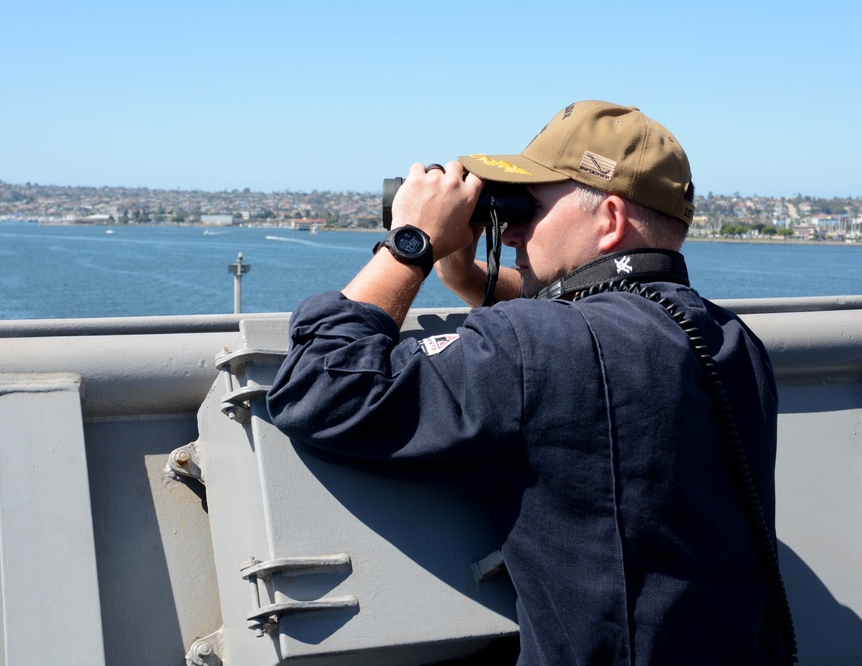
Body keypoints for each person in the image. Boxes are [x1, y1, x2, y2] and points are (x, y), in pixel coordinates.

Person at [266, 100, 791, 664]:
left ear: (610, 219)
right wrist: (468, 276)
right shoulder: (730, 339)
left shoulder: (538, 347)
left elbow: (320, 386)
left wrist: (412, 243)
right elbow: (586, 324)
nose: (512, 230)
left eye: (529, 208)